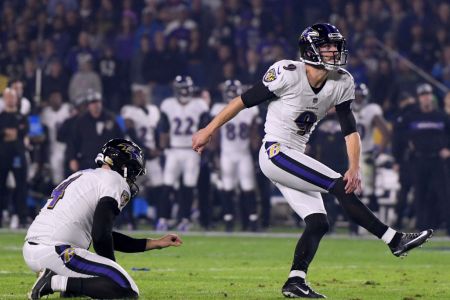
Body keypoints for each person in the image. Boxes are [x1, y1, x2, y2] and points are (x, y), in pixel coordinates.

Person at [192, 23, 434, 298]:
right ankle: (394, 239)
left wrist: (354, 166)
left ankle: (295, 281)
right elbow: (242, 101)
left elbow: (349, 129)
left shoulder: (342, 81)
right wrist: (208, 130)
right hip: (276, 151)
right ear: (310, 49)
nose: (334, 51)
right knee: (338, 186)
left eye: (335, 46)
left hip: (295, 154)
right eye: (327, 46)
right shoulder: (287, 73)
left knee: (319, 223)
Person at [24, 138, 182, 299]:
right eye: (133, 170)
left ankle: (70, 287)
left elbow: (104, 234)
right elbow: (100, 236)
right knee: (126, 289)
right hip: (57, 251)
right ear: (122, 165)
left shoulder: (83, 175)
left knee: (109, 279)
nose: (133, 178)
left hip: (36, 249)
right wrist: (110, 271)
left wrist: (155, 243)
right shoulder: (114, 180)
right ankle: (53, 282)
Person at [394, 83, 450, 234]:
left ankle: (448, 227)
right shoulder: (411, 117)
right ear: (419, 98)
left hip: (437, 161)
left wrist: (448, 149)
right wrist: (399, 157)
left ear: (431, 97)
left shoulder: (441, 116)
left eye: (428, 94)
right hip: (418, 160)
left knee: (444, 194)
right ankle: (422, 228)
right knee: (420, 194)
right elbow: (398, 136)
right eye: (422, 95)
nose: (426, 98)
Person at [157, 75, 209, 231]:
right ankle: (165, 218)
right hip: (176, 150)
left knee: (186, 186)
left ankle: (181, 218)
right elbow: (164, 130)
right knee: (169, 185)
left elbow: (203, 130)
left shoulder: (199, 105)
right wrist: (164, 148)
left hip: (189, 150)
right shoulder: (170, 105)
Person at [210, 79, 260, 231]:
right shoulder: (249, 109)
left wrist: (214, 154)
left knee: (239, 187)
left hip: (234, 154)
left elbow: (216, 135)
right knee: (239, 187)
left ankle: (237, 220)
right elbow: (254, 136)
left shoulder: (220, 107)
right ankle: (243, 220)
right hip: (235, 154)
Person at [0, 88, 29, 228]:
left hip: (18, 155)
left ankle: (21, 217)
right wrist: (8, 133)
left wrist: (8, 133)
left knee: (21, 187)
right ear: (4, 99)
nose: (11, 100)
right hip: (3, 155)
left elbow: (23, 132)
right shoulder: (1, 116)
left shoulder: (21, 117)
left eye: (13, 97)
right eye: (8, 97)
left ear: (16, 99)